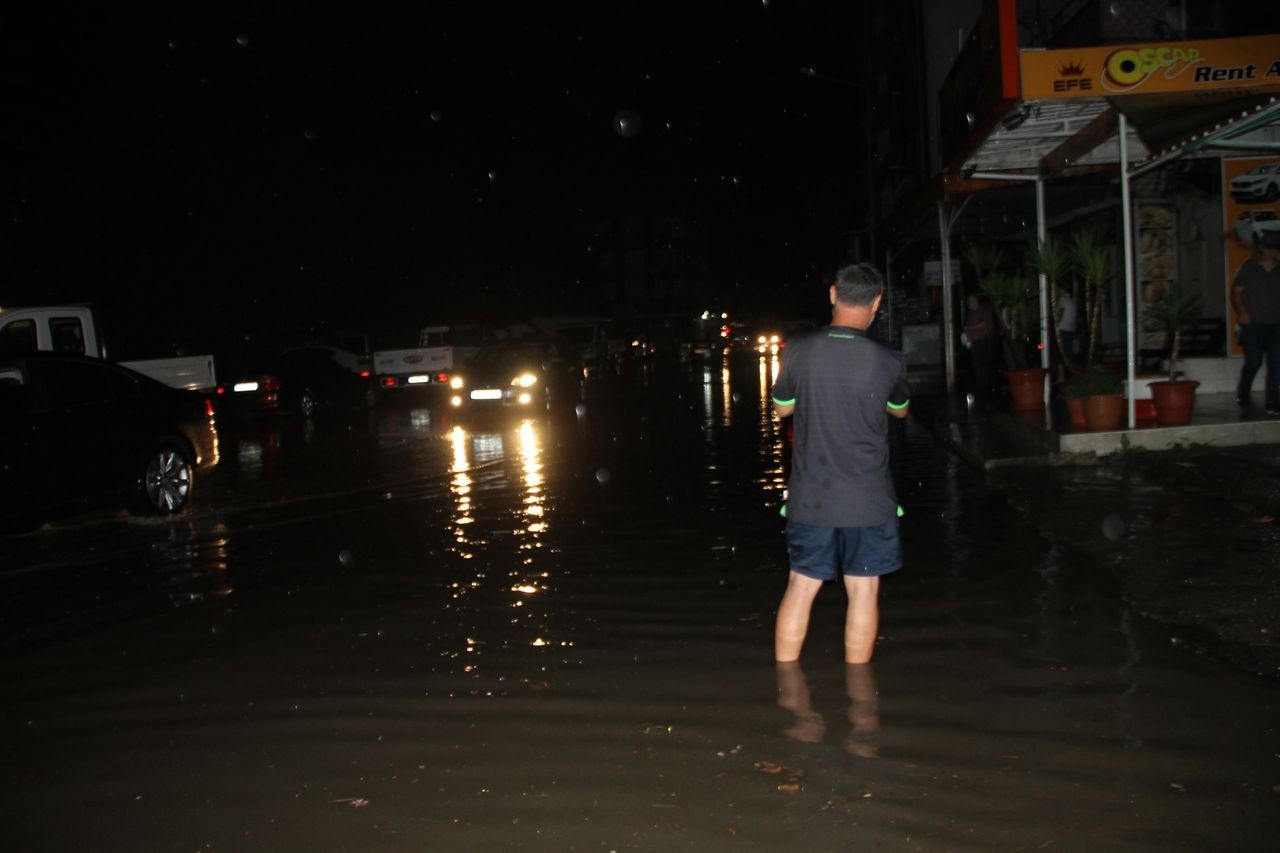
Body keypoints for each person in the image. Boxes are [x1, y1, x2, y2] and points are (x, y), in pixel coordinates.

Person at [771, 262, 910, 665]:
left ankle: (787, 689)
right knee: (864, 591)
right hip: (868, 500)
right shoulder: (888, 360)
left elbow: (781, 409)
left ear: (833, 294)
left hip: (811, 498)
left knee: (800, 584)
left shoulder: (798, 349)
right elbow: (899, 411)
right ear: (877, 302)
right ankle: (860, 696)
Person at [1231, 229, 1280, 414]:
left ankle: (1273, 401)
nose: (1270, 252)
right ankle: (1243, 392)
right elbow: (1237, 292)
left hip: (1276, 323)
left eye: (1274, 249)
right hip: (1254, 323)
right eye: (1268, 248)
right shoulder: (1249, 268)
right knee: (1254, 361)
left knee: (1276, 363)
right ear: (1262, 249)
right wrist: (1242, 312)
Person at [963, 292, 996, 396]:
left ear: (976, 302)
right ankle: (981, 384)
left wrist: (970, 328)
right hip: (973, 342)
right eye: (969, 302)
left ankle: (985, 385)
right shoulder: (970, 314)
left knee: (982, 363)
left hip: (982, 341)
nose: (970, 303)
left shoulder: (982, 311)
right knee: (977, 364)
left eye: (972, 301)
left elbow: (984, 324)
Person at [1053, 283, 1078, 371]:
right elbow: (1075, 318)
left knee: (1060, 354)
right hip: (1070, 330)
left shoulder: (1062, 300)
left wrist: (1056, 327)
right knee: (1068, 353)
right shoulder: (1071, 300)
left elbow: (1060, 313)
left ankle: (1062, 375)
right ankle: (1070, 373)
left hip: (1062, 329)